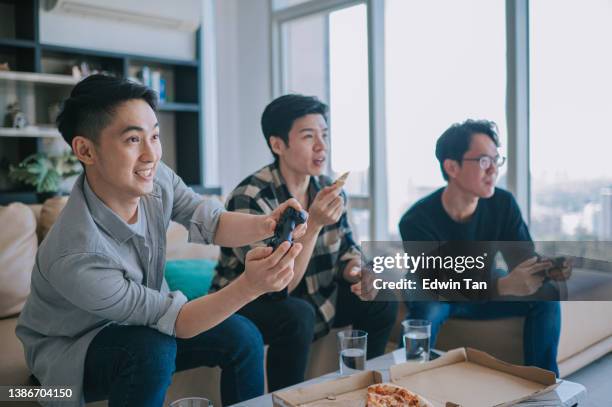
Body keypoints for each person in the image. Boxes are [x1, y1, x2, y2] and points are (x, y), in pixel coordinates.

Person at [16, 74, 306, 407]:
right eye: (132, 140)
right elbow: (177, 321)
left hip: (141, 327)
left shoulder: (155, 177)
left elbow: (211, 221)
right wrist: (251, 286)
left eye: (154, 135)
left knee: (242, 335)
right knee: (151, 349)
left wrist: (267, 224)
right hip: (72, 355)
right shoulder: (77, 253)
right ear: (85, 150)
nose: (151, 154)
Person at [212, 94, 398, 390]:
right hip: (251, 300)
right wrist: (313, 224)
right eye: (309, 136)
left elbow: (347, 249)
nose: (322, 146)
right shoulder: (250, 196)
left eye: (324, 135)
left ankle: (367, 389)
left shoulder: (329, 189)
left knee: (380, 294)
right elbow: (277, 285)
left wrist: (358, 272)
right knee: (297, 314)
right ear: (278, 145)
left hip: (314, 293)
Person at [399, 119, 567, 376]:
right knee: (428, 306)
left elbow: (522, 260)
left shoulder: (502, 204)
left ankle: (543, 387)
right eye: (484, 161)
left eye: (496, 161)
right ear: (452, 167)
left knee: (546, 295)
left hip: (484, 288)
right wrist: (501, 285)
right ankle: (409, 385)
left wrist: (545, 269)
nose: (493, 171)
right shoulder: (416, 221)